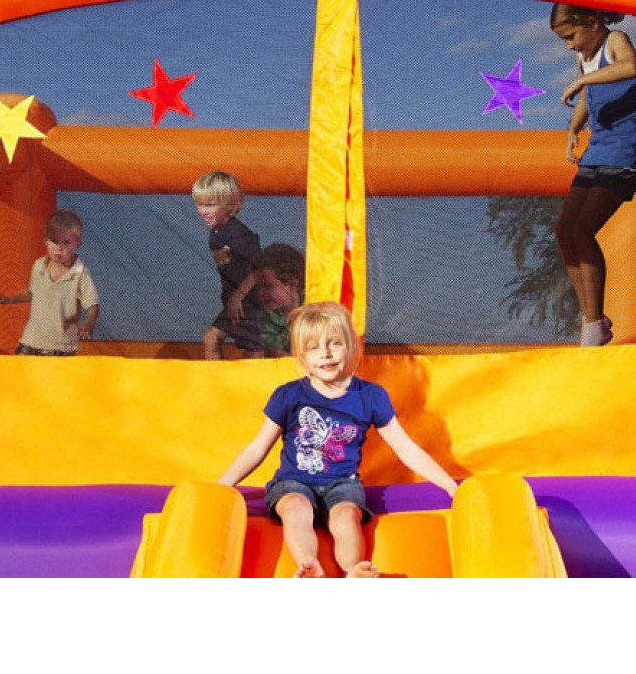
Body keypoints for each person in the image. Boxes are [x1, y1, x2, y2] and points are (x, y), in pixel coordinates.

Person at [218, 301, 458, 577]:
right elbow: (256, 449)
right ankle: (309, 564)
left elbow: (406, 448)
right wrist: (220, 487)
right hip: (293, 482)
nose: (325, 354)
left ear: (351, 346)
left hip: (342, 484)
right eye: (313, 347)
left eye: (334, 343)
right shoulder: (289, 395)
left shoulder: (370, 396)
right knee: (296, 508)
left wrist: (449, 485)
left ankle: (352, 569)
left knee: (345, 516)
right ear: (302, 356)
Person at [551, 4, 636, 347]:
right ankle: (591, 318)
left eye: (571, 37)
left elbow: (630, 67)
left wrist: (582, 79)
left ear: (592, 23)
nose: (570, 46)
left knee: (582, 230)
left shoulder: (615, 41)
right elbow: (588, 98)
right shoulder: (585, 58)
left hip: (623, 153)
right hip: (597, 152)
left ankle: (594, 325)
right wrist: (574, 128)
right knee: (564, 229)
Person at [0, 208, 99, 355]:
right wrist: (9, 299)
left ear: (77, 244)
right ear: (45, 241)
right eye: (54, 241)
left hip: (61, 347)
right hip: (30, 341)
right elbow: (32, 293)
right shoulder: (39, 266)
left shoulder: (80, 273)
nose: (59, 248)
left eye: (66, 243)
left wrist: (89, 324)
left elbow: (92, 305)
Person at [192, 170, 264, 359]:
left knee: (250, 351)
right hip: (237, 301)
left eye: (210, 205)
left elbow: (262, 268)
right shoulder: (216, 233)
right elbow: (229, 268)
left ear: (230, 204)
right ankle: (216, 377)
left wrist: (238, 296)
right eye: (199, 204)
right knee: (212, 339)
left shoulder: (237, 233)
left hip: (252, 301)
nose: (203, 211)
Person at [254, 243, 305, 356]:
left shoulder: (312, 304)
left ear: (293, 284)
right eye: (258, 287)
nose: (260, 293)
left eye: (267, 285)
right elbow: (279, 355)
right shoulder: (267, 317)